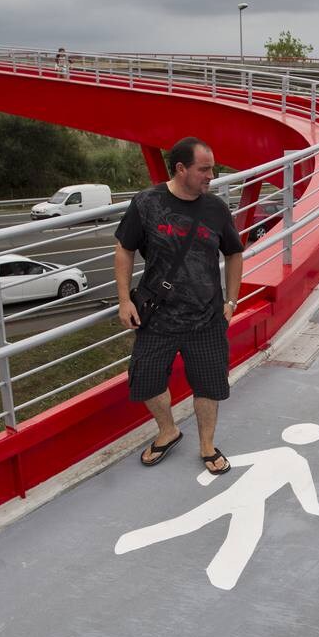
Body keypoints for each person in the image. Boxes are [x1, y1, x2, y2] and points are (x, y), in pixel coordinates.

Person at [116, 137, 244, 475]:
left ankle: (206, 445)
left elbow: (234, 252)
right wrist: (124, 300)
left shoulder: (216, 208)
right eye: (204, 169)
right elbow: (124, 249)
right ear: (181, 168)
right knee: (144, 380)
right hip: (157, 316)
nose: (210, 176)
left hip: (206, 316)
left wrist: (231, 300)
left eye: (212, 169)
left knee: (208, 385)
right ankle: (168, 431)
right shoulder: (146, 203)